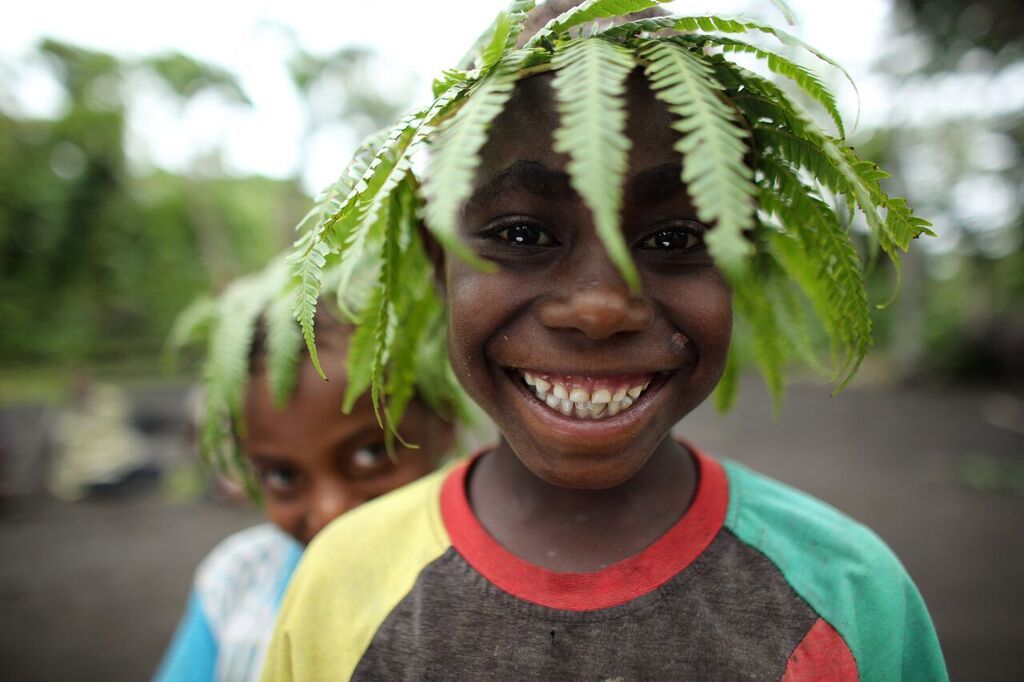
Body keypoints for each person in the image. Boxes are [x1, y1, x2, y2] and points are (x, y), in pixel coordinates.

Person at [261, 1, 948, 679]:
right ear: (439, 261)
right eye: (523, 235)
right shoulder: (339, 582)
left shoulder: (852, 597)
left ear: (741, 264)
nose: (600, 307)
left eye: (674, 238)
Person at [154, 302, 456, 682]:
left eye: (371, 454)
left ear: (444, 422)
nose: (330, 511)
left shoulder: (487, 594)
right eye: (282, 476)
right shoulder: (236, 582)